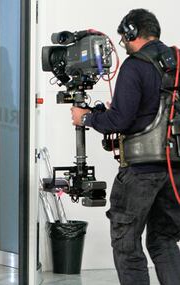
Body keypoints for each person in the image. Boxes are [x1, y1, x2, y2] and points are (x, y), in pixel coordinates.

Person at [71, 9, 180, 285]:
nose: (124, 45)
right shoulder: (175, 64)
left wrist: (85, 117)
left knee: (127, 246)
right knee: (164, 241)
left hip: (140, 173)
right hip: (174, 171)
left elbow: (119, 120)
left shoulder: (135, 65)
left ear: (131, 33)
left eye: (124, 39)